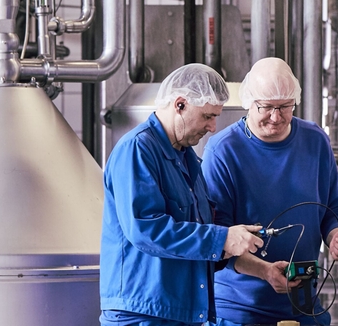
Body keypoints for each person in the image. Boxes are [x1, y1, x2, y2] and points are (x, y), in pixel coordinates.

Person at [100, 63, 266, 326]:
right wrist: (220, 238)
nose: (213, 127)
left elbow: (196, 237)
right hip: (143, 314)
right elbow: (146, 229)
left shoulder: (188, 159)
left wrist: (230, 244)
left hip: (180, 313)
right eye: (207, 116)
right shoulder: (137, 150)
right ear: (180, 105)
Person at [201, 57, 338, 326]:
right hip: (239, 309)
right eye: (267, 107)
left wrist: (336, 234)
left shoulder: (315, 140)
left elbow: (334, 206)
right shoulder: (223, 151)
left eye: (285, 106)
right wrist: (264, 272)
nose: (276, 117)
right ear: (249, 102)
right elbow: (219, 237)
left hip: (304, 302)